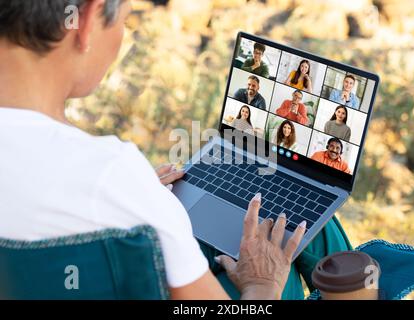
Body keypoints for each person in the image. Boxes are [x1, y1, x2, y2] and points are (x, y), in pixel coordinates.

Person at [0, 0, 353, 300]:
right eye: (126, 17)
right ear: (88, 21)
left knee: (280, 216)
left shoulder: (112, 183)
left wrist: (142, 200)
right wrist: (262, 284)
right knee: (291, 240)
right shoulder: (110, 175)